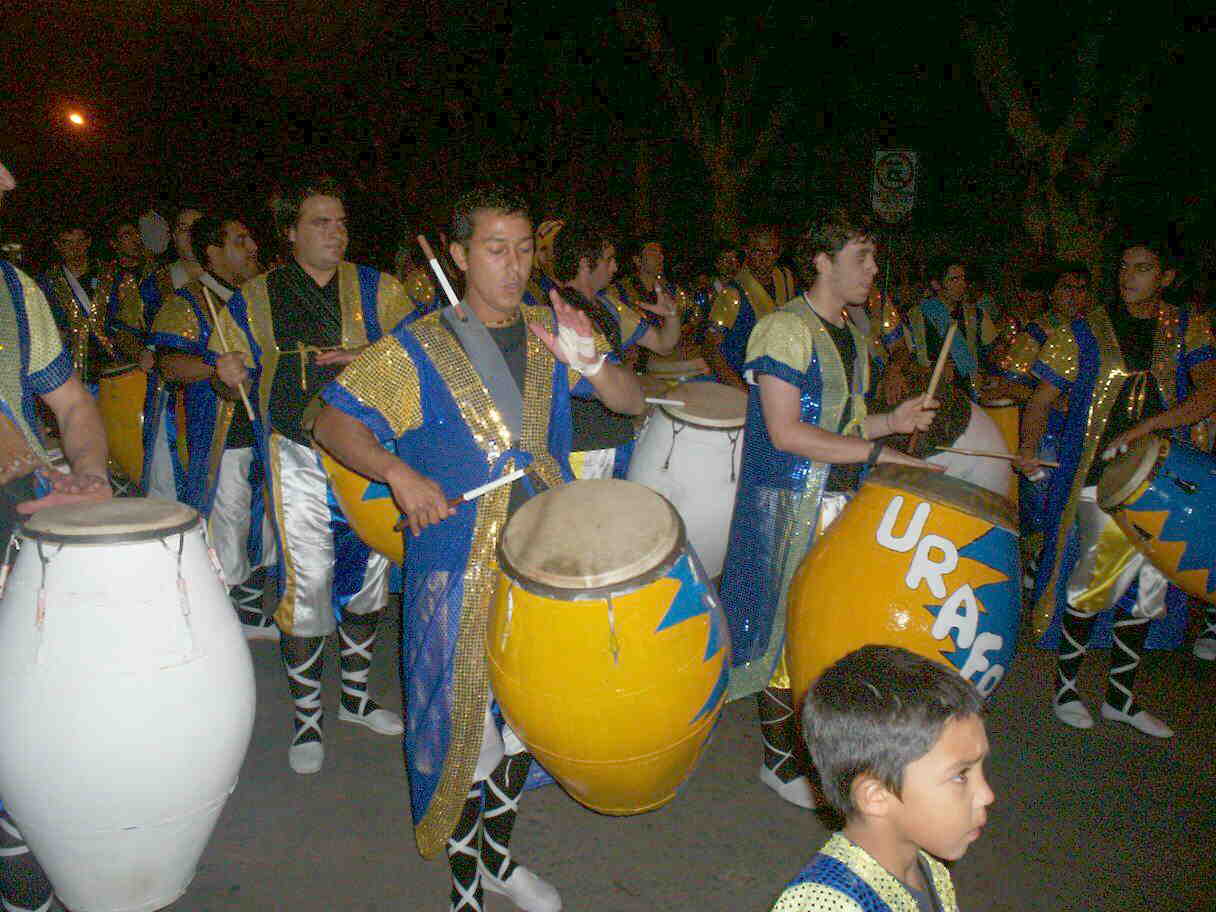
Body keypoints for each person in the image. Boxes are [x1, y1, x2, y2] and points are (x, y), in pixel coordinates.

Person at [313, 186, 643, 912]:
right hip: (454, 561)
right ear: (460, 255)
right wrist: (399, 474)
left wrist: (590, 361)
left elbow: (630, 401)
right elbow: (333, 423)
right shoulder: (419, 345)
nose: (514, 266)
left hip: (543, 556)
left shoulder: (550, 330)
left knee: (527, 722)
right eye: (496, 250)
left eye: (524, 250)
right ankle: (466, 890)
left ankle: (496, 859)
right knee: (463, 730)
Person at [718, 208, 937, 809]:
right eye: (861, 257)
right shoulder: (783, 330)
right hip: (791, 506)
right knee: (788, 633)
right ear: (822, 261)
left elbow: (845, 425)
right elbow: (786, 432)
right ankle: (778, 760)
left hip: (839, 502)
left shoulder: (850, 332)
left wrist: (893, 421)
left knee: (827, 629)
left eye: (873, 257)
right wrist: (879, 452)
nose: (873, 269)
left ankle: (811, 752)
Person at [211, 176, 410, 774]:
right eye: (321, 222)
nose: (336, 233)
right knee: (309, 579)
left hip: (369, 448)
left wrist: (366, 356)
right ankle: (306, 719)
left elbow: (420, 352)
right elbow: (229, 367)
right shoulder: (256, 296)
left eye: (341, 222)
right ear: (291, 233)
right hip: (296, 449)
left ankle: (355, 698)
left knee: (370, 574)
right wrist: (227, 372)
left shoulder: (380, 288)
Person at [1016, 238, 1216, 737]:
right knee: (1095, 583)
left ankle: (1119, 698)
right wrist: (1028, 447)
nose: (1128, 277)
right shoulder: (1082, 331)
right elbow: (1040, 400)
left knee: (1148, 592)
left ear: (1166, 278)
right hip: (1100, 480)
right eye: (1125, 267)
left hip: (1162, 482)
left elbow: (1210, 392)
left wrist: (1149, 427)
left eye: (1142, 269)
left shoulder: (1187, 327)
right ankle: (1066, 688)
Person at [0, 156, 112, 912]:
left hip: (15, 519)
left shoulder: (14, 289)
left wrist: (90, 474)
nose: (11, 182)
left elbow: (71, 405)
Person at [770, 645, 992, 912]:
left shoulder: (927, 868)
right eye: (960, 775)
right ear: (876, 796)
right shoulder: (827, 905)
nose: (987, 795)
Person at [150, 213, 277, 639]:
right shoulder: (187, 302)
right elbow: (169, 364)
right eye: (240, 241)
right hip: (221, 434)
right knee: (228, 519)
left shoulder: (260, 298)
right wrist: (215, 368)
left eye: (250, 238)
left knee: (261, 521)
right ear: (213, 252)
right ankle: (223, 616)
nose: (253, 247)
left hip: (264, 432)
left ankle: (247, 606)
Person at [552, 218, 664, 479]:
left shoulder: (604, 306)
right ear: (584, 263)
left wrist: (671, 316)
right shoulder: (562, 315)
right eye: (609, 259)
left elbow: (662, 344)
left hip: (615, 436)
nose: (615, 267)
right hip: (589, 448)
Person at [138, 206, 205, 501]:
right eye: (182, 228)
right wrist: (143, 350)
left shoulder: (230, 278)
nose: (188, 236)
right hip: (168, 393)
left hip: (215, 390)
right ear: (173, 236)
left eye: (195, 228)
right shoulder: (155, 283)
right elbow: (129, 328)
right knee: (167, 474)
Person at [705, 224, 798, 388]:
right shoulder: (732, 293)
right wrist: (739, 388)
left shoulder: (785, 278)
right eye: (757, 251)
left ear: (778, 253)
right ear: (747, 252)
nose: (763, 258)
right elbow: (710, 348)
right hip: (745, 377)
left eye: (770, 251)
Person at [599, 239, 684, 362]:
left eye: (661, 253)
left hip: (669, 356)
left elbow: (689, 324)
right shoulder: (617, 292)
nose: (660, 257)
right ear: (638, 260)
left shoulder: (672, 291)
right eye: (653, 252)